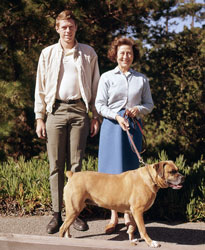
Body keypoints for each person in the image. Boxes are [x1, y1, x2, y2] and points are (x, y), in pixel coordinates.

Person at [34, 10, 100, 234]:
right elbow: (40, 88)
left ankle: (75, 214)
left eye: (71, 27)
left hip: (80, 110)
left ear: (76, 28)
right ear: (57, 28)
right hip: (56, 110)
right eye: (63, 27)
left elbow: (96, 85)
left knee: (76, 166)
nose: (67, 30)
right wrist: (39, 117)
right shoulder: (48, 53)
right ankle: (55, 214)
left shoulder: (88, 53)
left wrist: (95, 115)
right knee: (55, 166)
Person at [95, 37, 154, 234]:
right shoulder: (106, 77)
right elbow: (99, 105)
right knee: (112, 173)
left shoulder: (141, 79)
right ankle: (113, 217)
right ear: (115, 55)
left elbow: (149, 104)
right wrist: (115, 116)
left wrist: (138, 109)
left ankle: (129, 217)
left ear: (133, 55)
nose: (125, 56)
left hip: (133, 127)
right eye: (122, 53)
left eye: (128, 53)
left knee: (131, 171)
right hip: (112, 127)